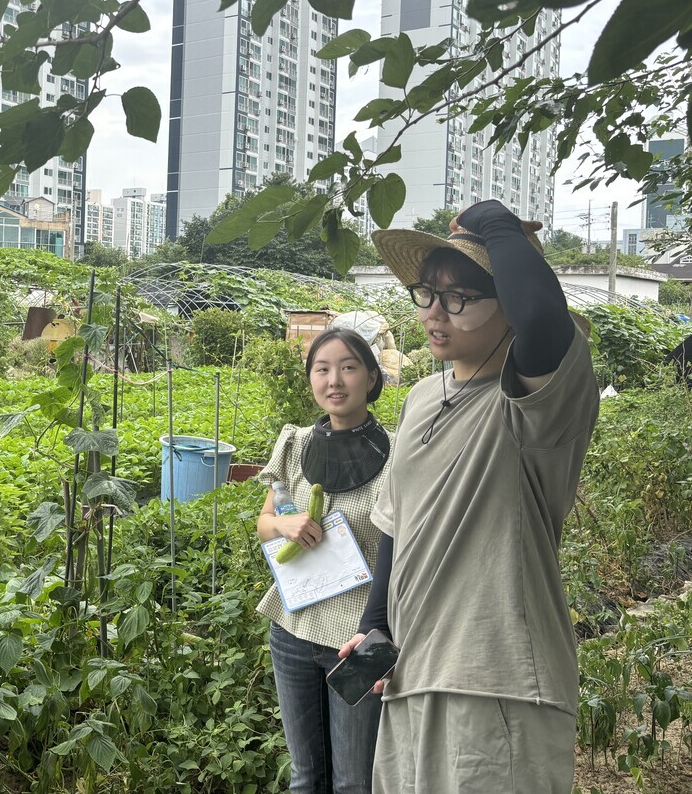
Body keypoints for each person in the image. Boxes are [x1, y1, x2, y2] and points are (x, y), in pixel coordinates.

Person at [340, 200, 600, 794]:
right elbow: (395, 523)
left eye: (459, 298)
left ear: (506, 304)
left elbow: (540, 316)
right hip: (410, 675)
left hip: (496, 681)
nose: (435, 312)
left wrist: (494, 222)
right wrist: (376, 624)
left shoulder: (535, 400)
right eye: (428, 292)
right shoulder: (422, 398)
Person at [256, 327, 393, 794]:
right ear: (311, 378)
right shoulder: (295, 443)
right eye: (322, 369)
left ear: (371, 377)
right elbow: (264, 524)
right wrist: (283, 526)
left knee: (356, 782)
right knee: (305, 778)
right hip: (292, 628)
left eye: (349, 367)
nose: (334, 380)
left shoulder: (398, 455)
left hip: (361, 637)